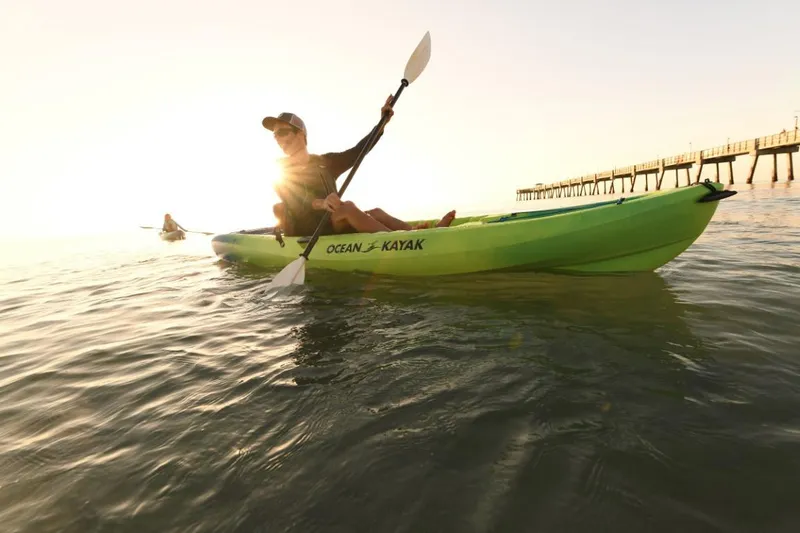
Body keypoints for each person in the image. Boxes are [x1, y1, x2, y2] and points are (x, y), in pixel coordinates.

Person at [263, 96, 456, 237]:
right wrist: (322, 203)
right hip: (306, 230)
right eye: (275, 135)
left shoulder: (325, 162)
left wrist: (382, 123)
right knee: (347, 208)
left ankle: (418, 234)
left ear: (300, 134)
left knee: (376, 212)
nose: (277, 138)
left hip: (330, 222)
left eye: (282, 132)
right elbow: (297, 203)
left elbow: (358, 151)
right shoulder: (280, 172)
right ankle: (401, 242)